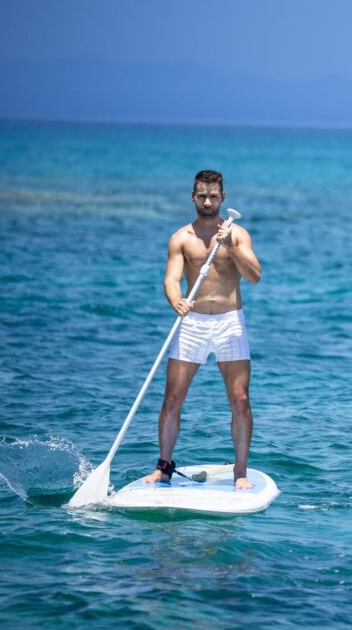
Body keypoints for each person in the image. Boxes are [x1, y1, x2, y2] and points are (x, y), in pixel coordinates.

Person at [143, 170, 262, 489]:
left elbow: (254, 276)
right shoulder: (181, 237)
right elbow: (170, 279)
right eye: (201, 196)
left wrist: (230, 247)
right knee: (172, 399)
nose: (207, 201)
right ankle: (164, 467)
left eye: (213, 196)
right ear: (192, 197)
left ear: (223, 198)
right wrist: (176, 301)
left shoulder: (237, 235)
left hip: (229, 323)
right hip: (192, 323)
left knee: (240, 400)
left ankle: (240, 472)